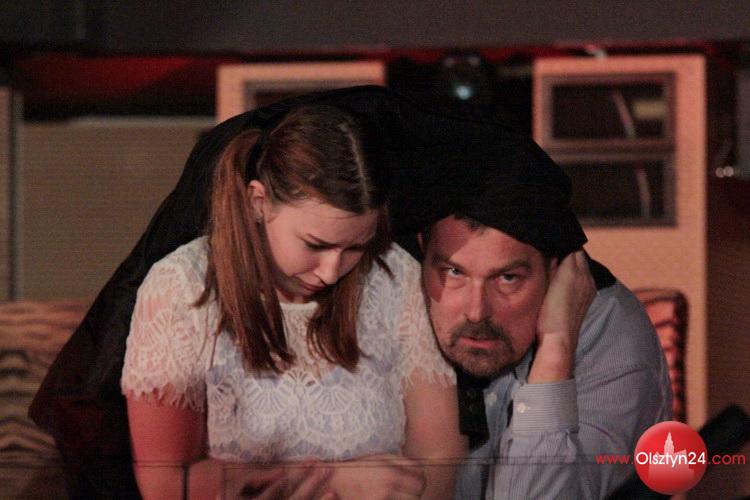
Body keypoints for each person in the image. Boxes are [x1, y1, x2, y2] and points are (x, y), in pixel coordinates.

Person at [119, 103, 463, 499]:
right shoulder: (181, 287)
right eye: (315, 245)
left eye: (355, 247)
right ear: (258, 202)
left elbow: (438, 456)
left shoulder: (394, 276)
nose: (331, 272)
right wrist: (332, 482)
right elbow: (165, 483)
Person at [412, 143, 673, 499]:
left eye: (508, 279)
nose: (476, 311)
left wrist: (556, 348)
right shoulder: (400, 298)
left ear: (557, 269)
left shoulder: (612, 336)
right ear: (422, 252)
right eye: (454, 272)